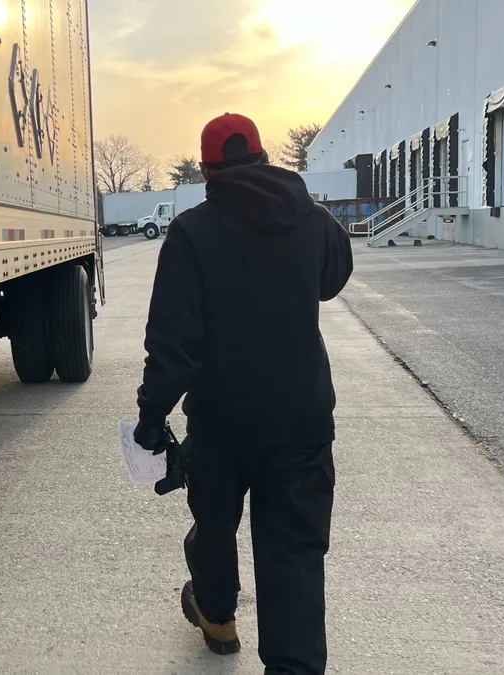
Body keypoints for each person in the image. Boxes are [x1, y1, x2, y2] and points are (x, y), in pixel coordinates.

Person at [133, 113, 353, 675]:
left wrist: (152, 416)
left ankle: (217, 615)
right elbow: (332, 281)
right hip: (301, 420)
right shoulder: (316, 221)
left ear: (207, 171)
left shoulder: (191, 234)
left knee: (214, 523)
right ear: (262, 158)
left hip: (221, 420)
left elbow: (173, 341)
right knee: (294, 553)